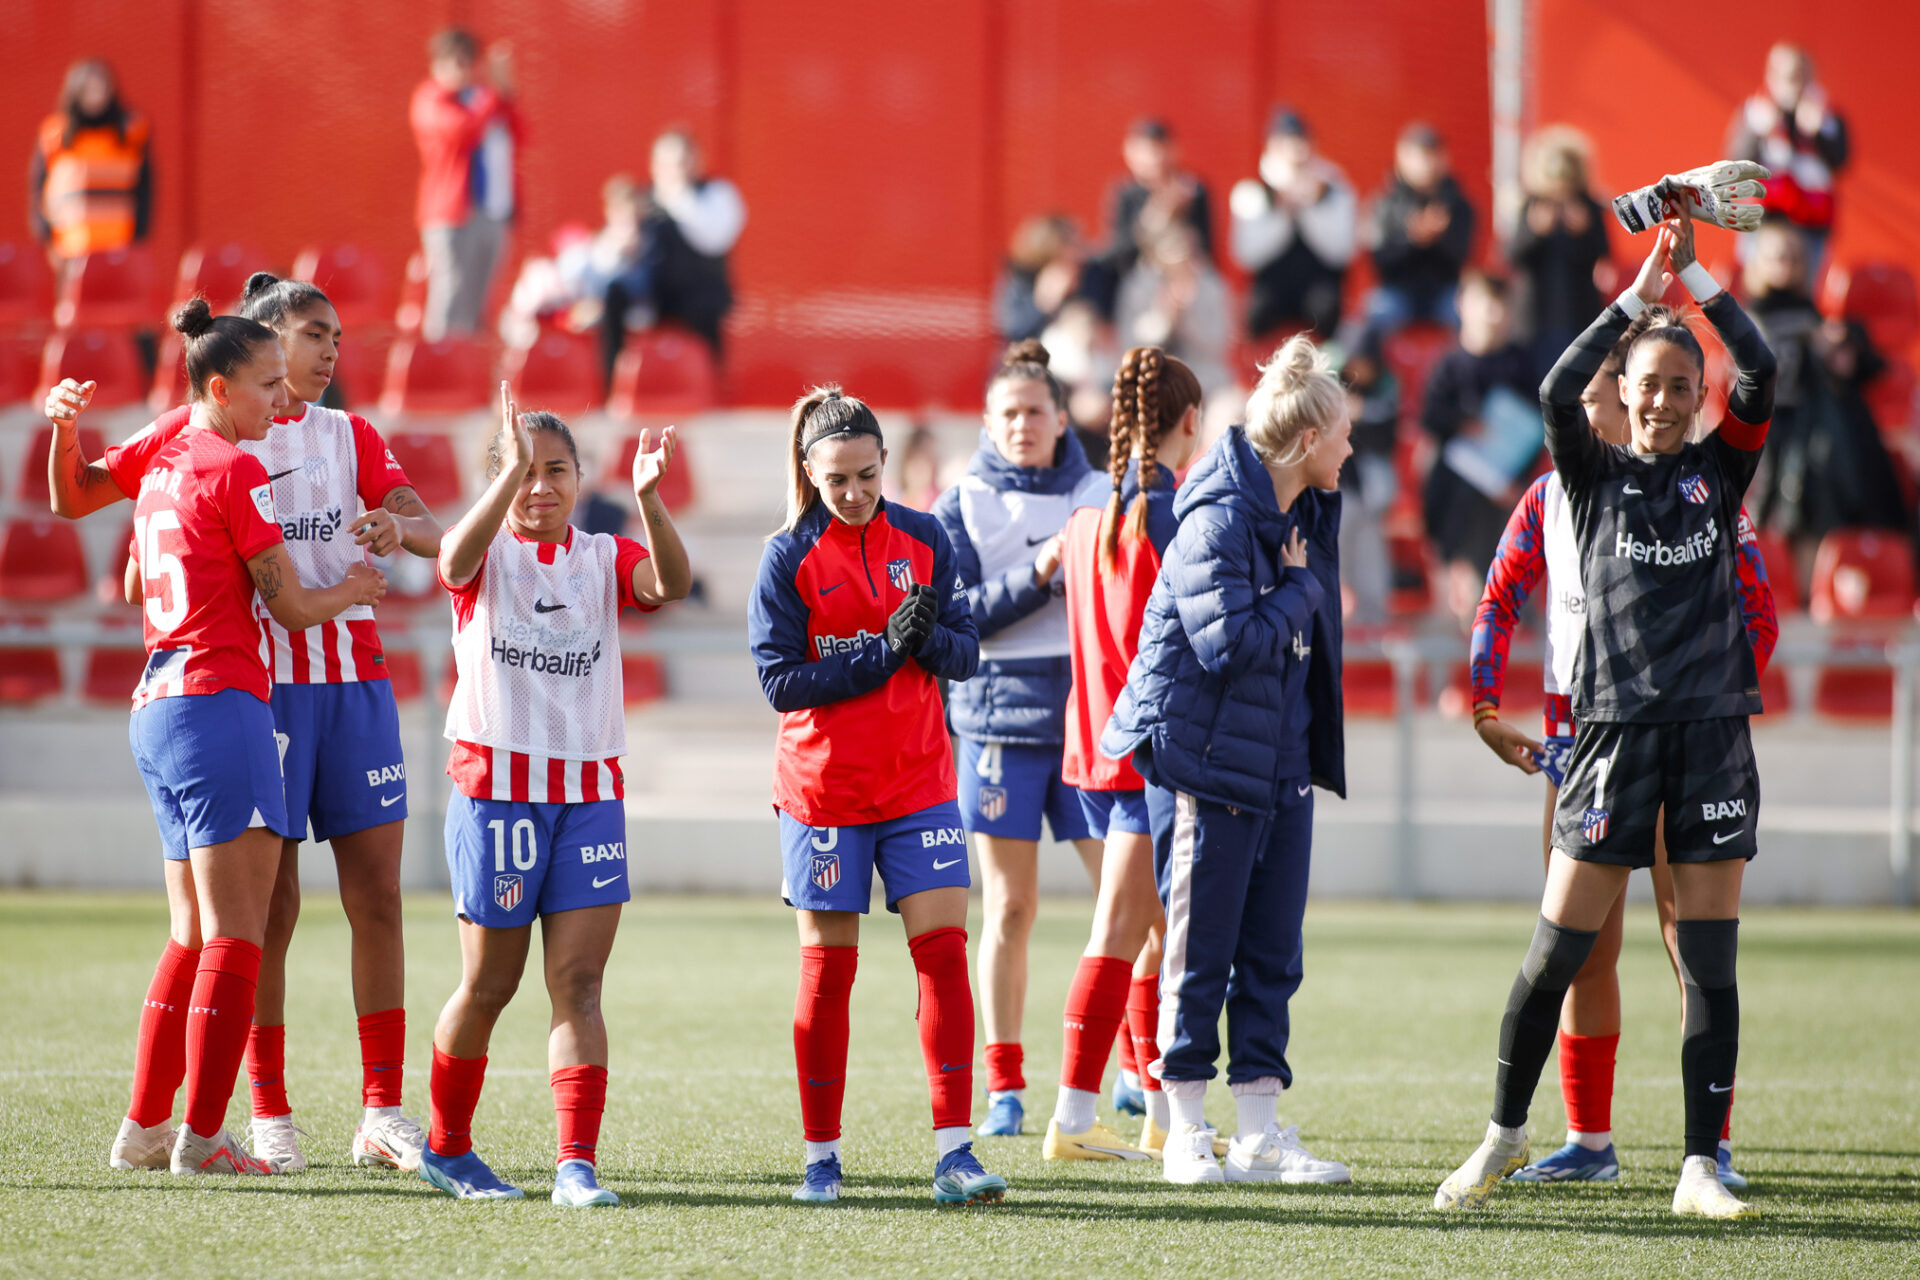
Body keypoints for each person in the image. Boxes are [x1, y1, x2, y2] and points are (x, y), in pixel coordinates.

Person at [48, 273, 446, 1174]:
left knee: (376, 895)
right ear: (261, 347)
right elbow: (118, 531)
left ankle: (380, 1109)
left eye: (338, 334)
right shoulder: (202, 434)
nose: (330, 349)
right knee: (263, 910)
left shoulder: (352, 434)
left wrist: (396, 526)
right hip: (257, 690)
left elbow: (425, 525)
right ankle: (264, 1112)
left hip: (350, 684)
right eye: (312, 333)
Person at [1434, 205, 1777, 1219]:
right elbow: (1549, 387)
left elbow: (1760, 372)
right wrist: (1640, 292)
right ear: (1619, 400)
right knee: (1557, 953)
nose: (1666, 401)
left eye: (1681, 386)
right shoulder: (1581, 479)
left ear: (1697, 396)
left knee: (1706, 958)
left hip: (1712, 741)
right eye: (1649, 387)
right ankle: (1506, 1135)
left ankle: (1700, 1166)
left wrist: (1701, 281)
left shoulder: (1723, 472)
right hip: (1608, 741)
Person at [420, 385, 691, 1204]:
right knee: (490, 986)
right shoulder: (483, 556)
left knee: (578, 984)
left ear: (581, 479)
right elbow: (450, 562)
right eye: (524, 472)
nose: (542, 487)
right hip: (496, 794)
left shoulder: (604, 557)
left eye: (557, 472)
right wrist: (505, 474)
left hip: (588, 795)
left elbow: (670, 585)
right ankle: (446, 1147)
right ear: (498, 479)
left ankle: (576, 1165)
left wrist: (647, 499)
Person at [1100, 334, 1352, 1187]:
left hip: (1277, 763)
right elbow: (1227, 647)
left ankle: (1258, 1135)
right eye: (1344, 435)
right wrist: (1298, 590)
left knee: (1274, 953)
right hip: (1204, 764)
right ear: (1309, 443)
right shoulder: (1215, 517)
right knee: (1199, 953)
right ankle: (1184, 1132)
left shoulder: (1299, 514)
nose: (1353, 450)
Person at [748, 388, 1004, 1206]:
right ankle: (821, 1160)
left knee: (943, 960)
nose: (853, 493)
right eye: (836, 481)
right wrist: (881, 654)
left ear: (886, 464)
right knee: (829, 972)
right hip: (822, 791)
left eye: (865, 475)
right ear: (808, 472)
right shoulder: (786, 555)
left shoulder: (926, 537)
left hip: (919, 780)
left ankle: (956, 1154)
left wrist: (927, 636)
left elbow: (964, 653)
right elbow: (780, 680)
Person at [931, 341, 1107, 1139]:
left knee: (1125, 904)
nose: (1023, 425)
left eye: (1036, 411)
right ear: (987, 422)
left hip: (1088, 716)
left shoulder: (1099, 491)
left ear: (1061, 417)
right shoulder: (959, 503)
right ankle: (1004, 1083)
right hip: (998, 720)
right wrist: (1041, 569)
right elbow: (957, 617)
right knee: (1010, 906)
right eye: (1008, 413)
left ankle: (1134, 1072)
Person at [1043, 345, 1203, 1163]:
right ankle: (1073, 1116)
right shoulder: (1170, 516)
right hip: (1149, 753)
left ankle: (1156, 1115)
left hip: (1097, 748)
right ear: (1190, 422)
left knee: (1143, 931)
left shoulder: (1085, 520)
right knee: (1132, 931)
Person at [1741, 218, 1905, 568]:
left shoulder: (1811, 313)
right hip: (1775, 438)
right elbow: (1764, 383)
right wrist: (1810, 348)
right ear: (1758, 263)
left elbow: (1867, 370)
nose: (1789, 265)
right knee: (1803, 494)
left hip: (1815, 437)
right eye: (1779, 257)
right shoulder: (1752, 316)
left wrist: (1836, 351)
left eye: (1796, 257)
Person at [1420, 271, 1540, 626]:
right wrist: (1463, 423)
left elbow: (1533, 430)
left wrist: (1513, 479)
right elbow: (1432, 419)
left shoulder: (1520, 363)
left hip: (1506, 487)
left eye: (1499, 305)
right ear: (1463, 306)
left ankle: (1510, 620)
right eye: (1483, 304)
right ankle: (1461, 616)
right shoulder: (1450, 364)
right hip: (1458, 489)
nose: (1492, 314)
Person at [411, 28, 522, 340]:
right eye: (453, 63)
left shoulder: (482, 100)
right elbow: (463, 130)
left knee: (480, 301)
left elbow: (520, 132)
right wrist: (492, 94)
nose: (461, 71)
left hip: (491, 212)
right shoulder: (430, 99)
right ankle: (441, 366)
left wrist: (505, 90)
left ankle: (469, 371)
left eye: (467, 62)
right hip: (452, 214)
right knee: (451, 297)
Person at [1229, 108, 1358, 342]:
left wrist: (1309, 207)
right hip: (1274, 288)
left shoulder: (1334, 188)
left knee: (1328, 311)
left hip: (1318, 285)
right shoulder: (1253, 191)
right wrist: (1283, 212)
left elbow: (1342, 253)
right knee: (1255, 314)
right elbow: (1246, 256)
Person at [1727, 42, 1848, 271]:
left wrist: (1819, 132)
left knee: (1807, 286)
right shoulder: (1755, 112)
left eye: (1798, 75)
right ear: (1771, 75)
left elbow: (1840, 160)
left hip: (1811, 219)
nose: (1792, 83)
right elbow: (1736, 160)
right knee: (1754, 285)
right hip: (1763, 217)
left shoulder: (1827, 114)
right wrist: (1760, 132)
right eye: (1786, 75)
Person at [30, 58, 151, 268]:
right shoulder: (56, 133)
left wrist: (139, 233)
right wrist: (46, 234)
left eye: (100, 88)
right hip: (71, 245)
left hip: (118, 244)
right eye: (88, 89)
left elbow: (145, 186)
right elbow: (39, 187)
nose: (95, 96)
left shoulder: (131, 131)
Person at [1509, 127, 1612, 372]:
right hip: (1537, 314)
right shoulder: (1532, 204)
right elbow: (1513, 255)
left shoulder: (1588, 206)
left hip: (1578, 309)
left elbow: (1603, 252)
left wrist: (1582, 234)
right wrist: (1535, 233)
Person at [635, 129, 745, 357]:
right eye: (666, 164)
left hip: (701, 307)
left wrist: (678, 198)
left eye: (681, 163)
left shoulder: (717, 194)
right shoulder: (642, 201)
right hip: (653, 307)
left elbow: (714, 240)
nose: (674, 171)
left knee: (703, 368)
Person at [1365, 122, 1477, 335]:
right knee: (1379, 311)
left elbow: (1462, 258)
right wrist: (1413, 240)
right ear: (1402, 158)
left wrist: (1437, 238)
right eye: (1419, 156)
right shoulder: (1384, 204)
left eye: (1433, 155)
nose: (1427, 164)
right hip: (1398, 291)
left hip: (1444, 291)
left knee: (1470, 314)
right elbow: (1379, 260)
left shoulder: (1459, 204)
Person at [1099, 118, 1215, 311]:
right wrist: (1156, 215)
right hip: (1139, 289)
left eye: (1158, 149)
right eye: (1145, 150)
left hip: (1187, 288)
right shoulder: (1126, 193)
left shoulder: (1192, 190)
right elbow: (1118, 251)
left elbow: (1206, 247)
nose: (1153, 158)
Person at [1115, 224, 1233, 400]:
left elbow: (1219, 344)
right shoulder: (1139, 287)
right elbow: (1132, 345)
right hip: (1151, 384)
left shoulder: (1211, 287)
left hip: (1207, 381)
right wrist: (1165, 318)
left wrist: (1187, 317)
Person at [995, 214, 1106, 344]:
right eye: (1070, 245)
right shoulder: (1020, 278)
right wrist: (1045, 302)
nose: (1078, 252)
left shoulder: (1093, 273)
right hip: (1033, 357)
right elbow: (1013, 330)